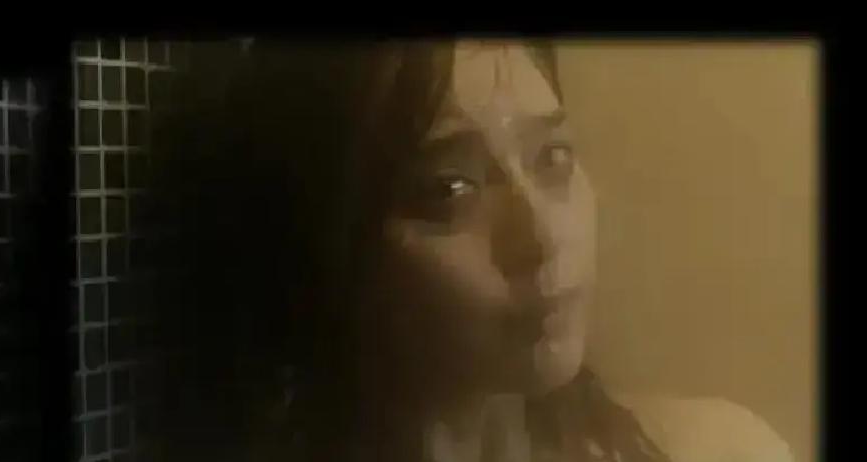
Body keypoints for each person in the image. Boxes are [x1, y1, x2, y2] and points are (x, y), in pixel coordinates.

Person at [160, 39, 794, 462]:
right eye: (450, 189)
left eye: (554, 158)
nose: (543, 237)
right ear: (328, 248)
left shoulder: (722, 452)